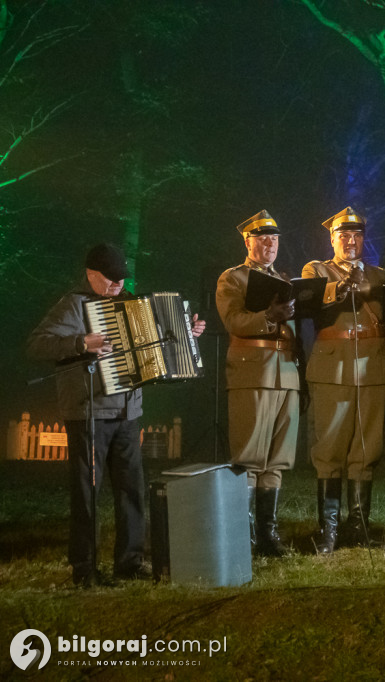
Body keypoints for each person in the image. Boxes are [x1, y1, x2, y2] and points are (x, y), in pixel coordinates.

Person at [27, 243, 205, 587]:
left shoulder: (131, 303)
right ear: (91, 274)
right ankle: (85, 568)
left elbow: (156, 345)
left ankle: (129, 561)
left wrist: (187, 333)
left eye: (122, 279)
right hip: (88, 412)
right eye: (110, 279)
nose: (117, 285)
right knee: (86, 492)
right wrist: (81, 343)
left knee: (131, 490)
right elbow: (37, 344)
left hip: (127, 412)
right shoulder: (73, 305)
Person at [303, 206, 385, 551]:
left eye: (356, 236)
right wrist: (342, 288)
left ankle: (359, 524)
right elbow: (311, 301)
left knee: (367, 447)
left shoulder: (381, 275)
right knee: (329, 446)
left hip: (372, 366)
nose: (351, 242)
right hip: (332, 366)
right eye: (344, 236)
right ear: (332, 239)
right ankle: (328, 527)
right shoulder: (317, 269)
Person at [215, 210, 300, 557]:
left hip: (286, 370)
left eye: (275, 239)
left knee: (277, 458)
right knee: (250, 455)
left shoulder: (283, 278)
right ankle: (245, 535)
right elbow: (233, 319)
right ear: (247, 242)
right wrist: (269, 316)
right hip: (253, 369)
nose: (269, 243)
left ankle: (268, 535)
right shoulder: (233, 278)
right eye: (262, 238)